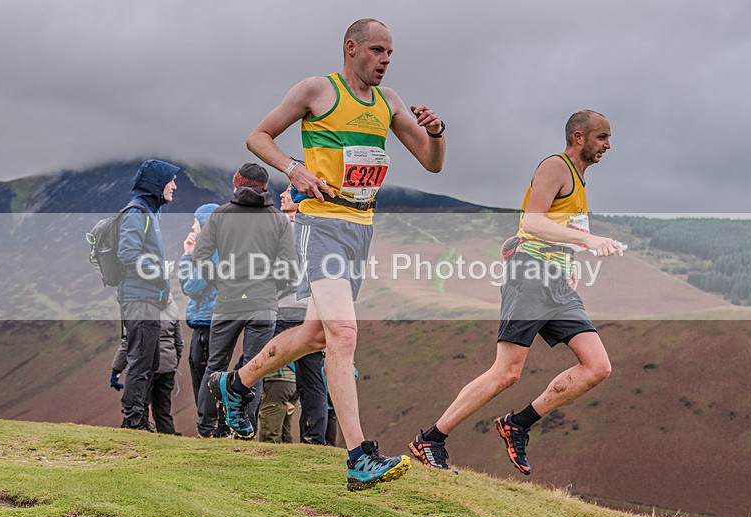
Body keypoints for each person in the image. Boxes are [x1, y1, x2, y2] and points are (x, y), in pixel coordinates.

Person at [209, 18, 446, 491]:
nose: (385, 61)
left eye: (390, 54)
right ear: (351, 47)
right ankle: (359, 456)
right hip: (321, 224)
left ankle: (235, 385)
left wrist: (437, 133)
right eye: (377, 51)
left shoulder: (389, 102)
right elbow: (257, 136)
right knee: (342, 334)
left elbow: (431, 162)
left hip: (361, 227)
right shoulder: (318, 91)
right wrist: (293, 169)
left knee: (316, 334)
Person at [408, 110, 622, 475]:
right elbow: (532, 221)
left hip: (556, 282)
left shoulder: (580, 180)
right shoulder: (556, 167)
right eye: (602, 137)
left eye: (609, 138)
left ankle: (518, 423)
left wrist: (570, 265)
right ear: (579, 137)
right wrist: (588, 240)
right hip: (530, 276)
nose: (608, 145)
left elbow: (556, 226)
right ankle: (431, 438)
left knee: (597, 366)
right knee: (506, 372)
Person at [192, 163, 297, 439]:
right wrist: (272, 289)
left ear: (237, 184)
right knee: (255, 366)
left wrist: (219, 282)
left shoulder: (220, 215)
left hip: (228, 300)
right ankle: (243, 430)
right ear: (264, 188)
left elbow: (200, 257)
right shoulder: (278, 219)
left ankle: (206, 428)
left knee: (215, 364)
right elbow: (290, 267)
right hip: (263, 303)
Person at [117, 159, 179, 430]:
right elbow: (128, 253)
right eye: (170, 180)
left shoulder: (148, 213)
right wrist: (160, 272)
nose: (174, 186)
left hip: (148, 298)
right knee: (141, 361)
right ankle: (133, 422)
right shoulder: (137, 212)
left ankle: (139, 419)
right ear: (156, 183)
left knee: (148, 360)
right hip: (139, 298)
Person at [276, 184, 329, 445]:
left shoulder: (287, 229)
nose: (283, 195)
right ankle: (314, 440)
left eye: (289, 191)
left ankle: (240, 429)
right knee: (312, 377)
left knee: (256, 362)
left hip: (286, 307)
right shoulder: (322, 228)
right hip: (312, 310)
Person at [111, 293, 184, 434]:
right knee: (163, 410)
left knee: (140, 405)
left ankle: (140, 435)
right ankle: (169, 441)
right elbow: (179, 342)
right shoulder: (172, 306)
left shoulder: (139, 307)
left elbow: (127, 342)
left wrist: (116, 369)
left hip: (145, 364)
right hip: (168, 366)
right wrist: (173, 363)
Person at [178, 203, 219, 435]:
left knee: (203, 377)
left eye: (196, 222)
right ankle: (212, 426)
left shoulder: (210, 251)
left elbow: (192, 286)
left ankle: (208, 427)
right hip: (210, 321)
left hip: (207, 322)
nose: (192, 227)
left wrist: (186, 257)